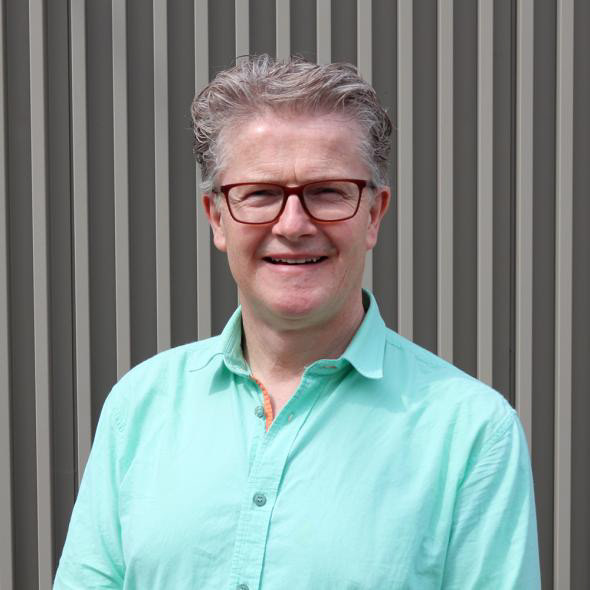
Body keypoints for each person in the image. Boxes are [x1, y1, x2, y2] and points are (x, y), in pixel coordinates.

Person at [54, 55, 541, 589]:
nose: (292, 225)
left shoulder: (471, 433)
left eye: (327, 192)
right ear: (217, 217)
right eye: (260, 193)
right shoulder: (139, 407)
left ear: (373, 214)